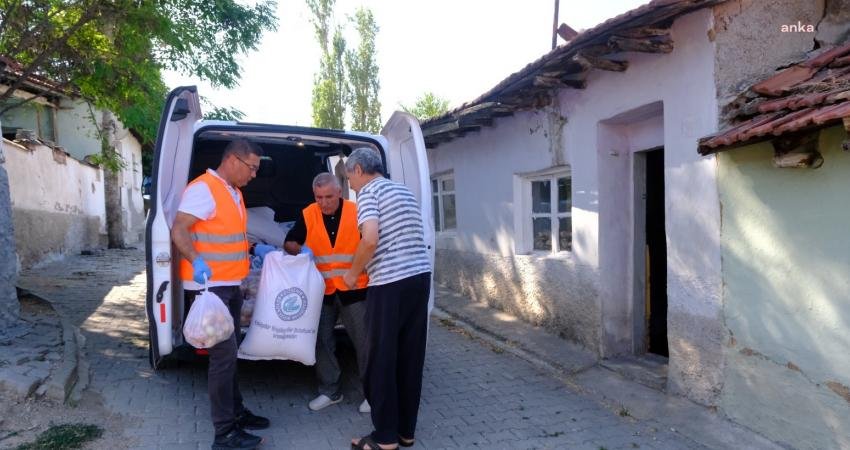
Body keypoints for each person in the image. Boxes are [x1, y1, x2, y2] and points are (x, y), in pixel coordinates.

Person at [171, 139, 274, 450]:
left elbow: (229, 236)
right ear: (232, 160)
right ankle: (224, 433)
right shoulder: (203, 189)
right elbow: (179, 229)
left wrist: (254, 249)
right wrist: (195, 260)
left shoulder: (234, 193)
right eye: (252, 168)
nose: (254, 174)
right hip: (210, 288)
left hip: (230, 285)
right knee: (222, 358)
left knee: (230, 355)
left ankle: (236, 412)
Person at [342, 148, 432, 450]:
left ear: (358, 169)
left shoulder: (368, 193)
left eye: (349, 179)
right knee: (409, 358)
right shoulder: (403, 191)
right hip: (419, 279)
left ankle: (384, 438)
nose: (351, 186)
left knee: (378, 361)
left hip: (390, 284)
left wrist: (353, 274)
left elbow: (370, 239)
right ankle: (405, 432)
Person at [283, 172, 371, 414]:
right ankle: (330, 391)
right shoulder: (308, 214)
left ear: (339, 192)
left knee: (365, 343)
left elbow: (371, 244)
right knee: (322, 341)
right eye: (318, 197)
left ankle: (374, 393)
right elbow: (289, 242)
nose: (323, 203)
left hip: (355, 289)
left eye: (329, 197)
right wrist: (298, 249)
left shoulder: (357, 211)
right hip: (321, 290)